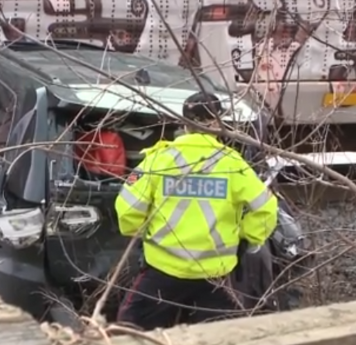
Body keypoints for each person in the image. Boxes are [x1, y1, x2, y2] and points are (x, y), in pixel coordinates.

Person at [114, 92, 279, 330]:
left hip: (163, 270)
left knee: (132, 331)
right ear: (219, 123)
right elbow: (266, 207)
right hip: (215, 275)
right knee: (218, 335)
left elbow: (127, 207)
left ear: (183, 123)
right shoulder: (233, 164)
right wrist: (248, 237)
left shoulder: (158, 160)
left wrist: (140, 232)